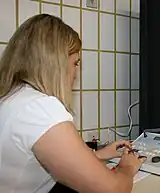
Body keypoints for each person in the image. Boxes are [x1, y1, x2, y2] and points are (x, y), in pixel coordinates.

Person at [0, 14, 146, 193]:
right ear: (56, 64)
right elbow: (113, 190)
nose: (75, 73)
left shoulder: (13, 98)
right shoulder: (41, 109)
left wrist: (98, 155)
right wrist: (127, 168)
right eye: (75, 63)